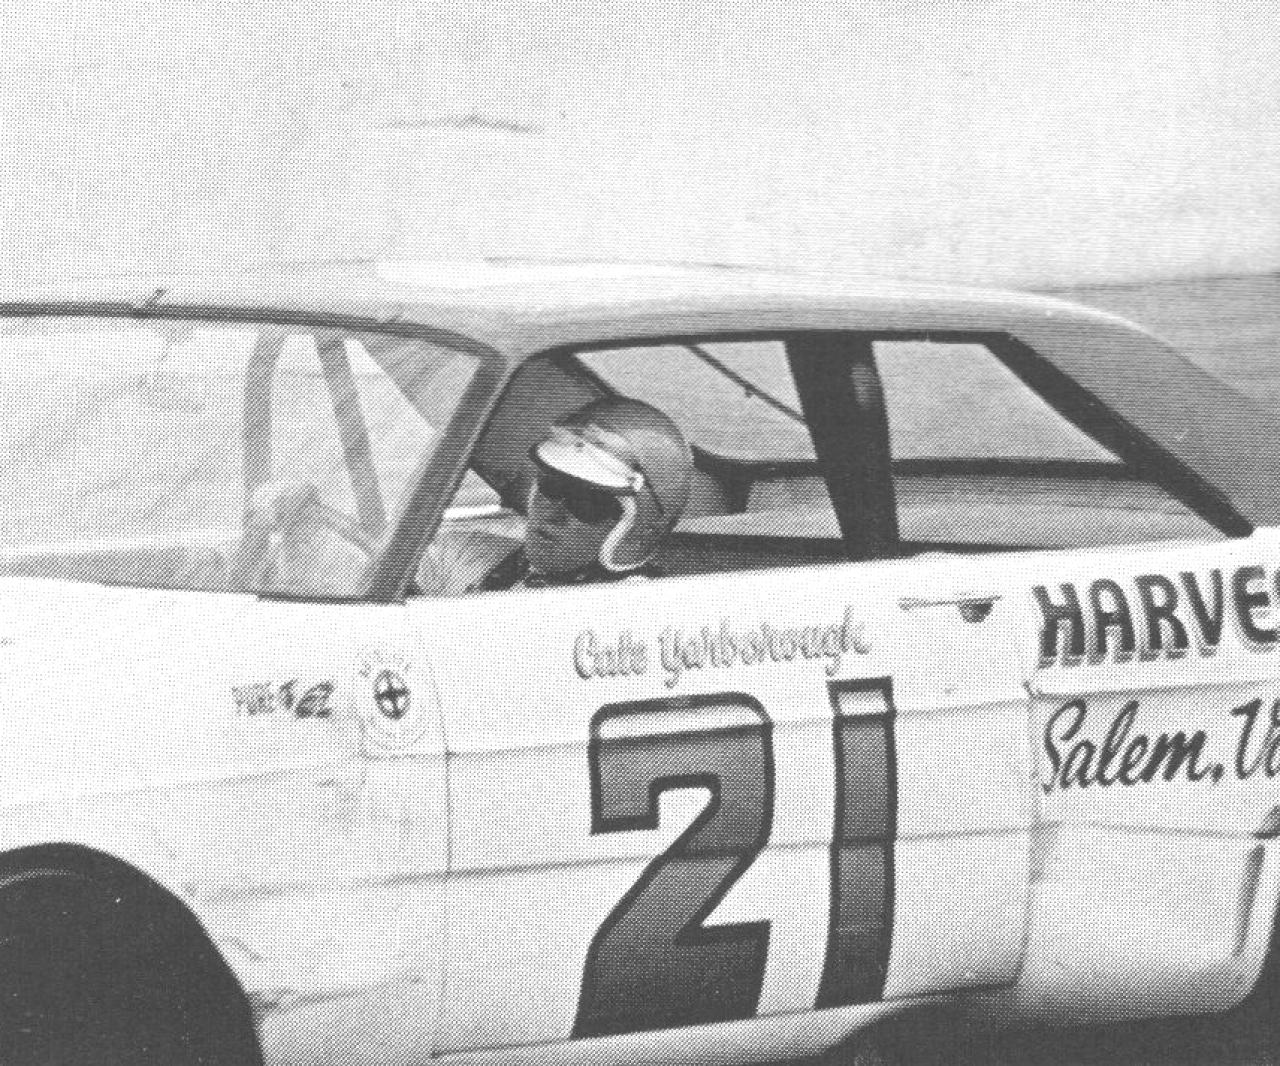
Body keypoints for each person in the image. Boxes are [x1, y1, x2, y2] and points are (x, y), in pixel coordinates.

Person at [418, 397, 692, 594]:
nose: (553, 513)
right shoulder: (466, 552)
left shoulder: (636, 612)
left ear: (635, 530)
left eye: (584, 504)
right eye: (551, 487)